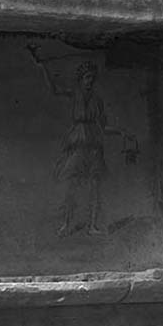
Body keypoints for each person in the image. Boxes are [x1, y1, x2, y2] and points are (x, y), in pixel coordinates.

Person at [29, 46, 132, 236]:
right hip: (77, 143)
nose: (89, 81)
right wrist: (42, 66)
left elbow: (103, 126)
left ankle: (92, 225)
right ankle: (66, 223)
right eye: (86, 78)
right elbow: (54, 89)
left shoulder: (97, 100)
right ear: (80, 78)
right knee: (71, 185)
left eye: (92, 78)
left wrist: (121, 132)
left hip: (93, 146)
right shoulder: (74, 94)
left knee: (94, 186)